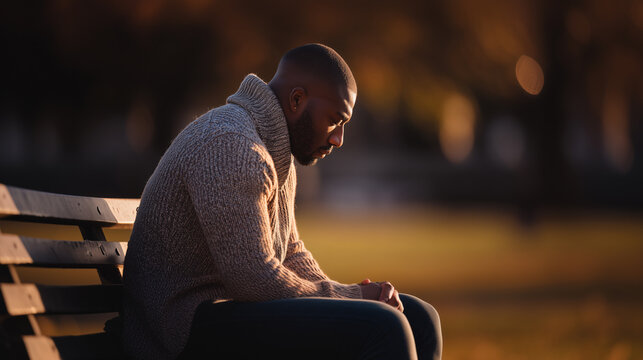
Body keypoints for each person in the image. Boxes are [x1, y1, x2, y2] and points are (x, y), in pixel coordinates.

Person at [122, 43, 442, 360]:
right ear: (297, 100)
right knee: (383, 327)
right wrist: (351, 296)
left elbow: (289, 253)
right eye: (334, 121)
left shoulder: (273, 151)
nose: (337, 139)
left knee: (419, 318)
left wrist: (347, 296)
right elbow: (252, 277)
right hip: (180, 332)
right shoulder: (232, 147)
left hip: (224, 313)